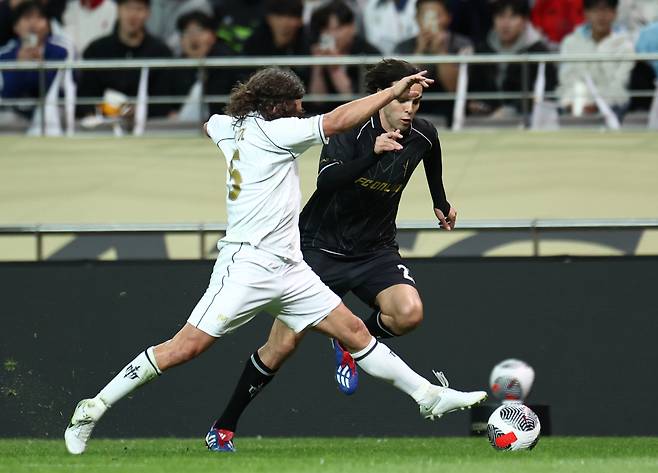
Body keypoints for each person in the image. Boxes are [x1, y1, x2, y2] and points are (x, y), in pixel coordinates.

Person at [64, 66, 487, 455]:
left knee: (355, 330)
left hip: (290, 266)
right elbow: (339, 120)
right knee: (185, 347)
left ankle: (426, 396)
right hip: (246, 266)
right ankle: (94, 407)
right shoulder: (278, 133)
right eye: (296, 106)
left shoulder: (230, 126)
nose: (302, 112)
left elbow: (209, 123)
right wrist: (391, 91)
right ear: (277, 109)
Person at [207, 59, 467, 452]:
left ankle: (348, 345)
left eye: (416, 101)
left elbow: (431, 160)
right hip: (317, 248)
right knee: (281, 346)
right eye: (403, 101)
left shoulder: (423, 135)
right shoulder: (350, 132)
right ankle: (223, 427)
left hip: (375, 249)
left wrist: (441, 202)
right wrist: (374, 156)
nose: (410, 109)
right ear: (383, 99)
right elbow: (326, 181)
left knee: (409, 312)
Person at [76, 0, 174, 119]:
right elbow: (85, 97)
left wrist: (137, 111)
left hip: (149, 126)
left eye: (139, 9)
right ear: (118, 10)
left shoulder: (161, 52)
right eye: (128, 8)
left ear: (148, 13)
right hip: (102, 124)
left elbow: (162, 101)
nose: (133, 15)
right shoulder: (96, 50)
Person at [467, 0, 557, 118]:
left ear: (525, 21)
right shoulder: (482, 49)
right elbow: (474, 89)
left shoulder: (538, 52)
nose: (505, 24)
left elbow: (545, 93)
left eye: (513, 17)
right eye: (500, 16)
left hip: (525, 119)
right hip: (485, 120)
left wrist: (511, 110)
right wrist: (476, 103)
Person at [394, 0, 473, 126]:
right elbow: (401, 89)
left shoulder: (462, 45)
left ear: (448, 17)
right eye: (425, 16)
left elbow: (455, 88)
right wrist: (420, 52)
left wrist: (440, 51)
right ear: (417, 18)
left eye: (436, 16)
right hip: (412, 109)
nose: (430, 22)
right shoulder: (403, 47)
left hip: (450, 109)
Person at [557, 0, 634, 117]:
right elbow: (567, 80)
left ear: (615, 13)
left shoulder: (626, 45)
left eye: (606, 9)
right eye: (595, 10)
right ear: (586, 13)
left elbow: (620, 84)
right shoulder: (570, 42)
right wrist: (573, 102)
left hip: (613, 106)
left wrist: (597, 104)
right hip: (575, 103)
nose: (601, 15)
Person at [307, 0, 380, 114]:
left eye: (336, 29)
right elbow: (317, 101)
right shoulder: (313, 50)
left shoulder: (368, 52)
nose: (331, 35)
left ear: (352, 27)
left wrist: (335, 69)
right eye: (325, 30)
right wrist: (318, 67)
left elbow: (355, 99)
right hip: (324, 116)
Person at [0, 1, 67, 120]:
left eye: (39, 18)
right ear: (15, 26)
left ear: (48, 25)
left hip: (52, 113)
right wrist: (18, 65)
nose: (33, 24)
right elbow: (7, 94)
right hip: (13, 114)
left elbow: (51, 91)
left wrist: (40, 66)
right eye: (27, 18)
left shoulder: (60, 52)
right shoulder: (5, 55)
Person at [169, 11, 234, 117]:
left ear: (213, 36)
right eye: (187, 32)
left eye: (199, 31)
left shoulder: (227, 64)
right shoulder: (174, 68)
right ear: (180, 40)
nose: (194, 38)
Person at [241, 0, 310, 85]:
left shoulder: (307, 44)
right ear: (268, 18)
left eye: (290, 16)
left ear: (300, 21)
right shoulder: (254, 44)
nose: (284, 23)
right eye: (279, 16)